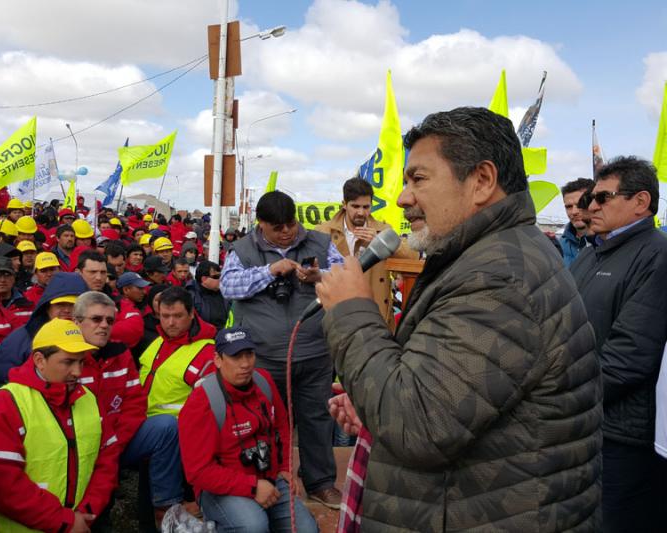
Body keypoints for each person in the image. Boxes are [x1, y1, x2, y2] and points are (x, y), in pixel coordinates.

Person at [317, 107, 602, 531]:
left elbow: (416, 425)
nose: (402, 198)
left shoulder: (500, 276)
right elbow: (445, 398)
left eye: (419, 178)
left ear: (482, 181)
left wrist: (352, 312)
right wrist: (374, 405)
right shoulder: (484, 257)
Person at [220, 190, 344, 508]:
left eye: (290, 224)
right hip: (265, 355)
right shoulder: (243, 249)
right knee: (267, 421)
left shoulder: (320, 242)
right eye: (277, 227)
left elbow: (345, 276)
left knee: (317, 418)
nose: (286, 232)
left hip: (314, 351)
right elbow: (228, 286)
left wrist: (320, 275)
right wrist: (269, 271)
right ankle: (274, 480)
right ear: (262, 224)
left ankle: (320, 482)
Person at [569, 156, 667, 532]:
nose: (589, 206)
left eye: (602, 197)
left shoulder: (657, 255)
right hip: (584, 424)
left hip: (622, 438)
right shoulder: (590, 254)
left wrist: (565, 400)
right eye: (589, 198)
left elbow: (630, 356)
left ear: (641, 202)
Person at [0, 319, 119, 532]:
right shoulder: (4, 405)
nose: (77, 372)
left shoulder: (89, 399)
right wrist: (66, 521)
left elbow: (107, 459)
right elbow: (4, 485)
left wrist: (87, 512)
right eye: (68, 362)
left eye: (81, 362)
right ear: (39, 360)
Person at [179, 327, 318, 533]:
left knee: (307, 529)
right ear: (218, 359)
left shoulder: (263, 381)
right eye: (236, 357)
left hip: (269, 479)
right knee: (253, 526)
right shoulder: (201, 403)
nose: (245, 364)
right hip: (221, 489)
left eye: (249, 354)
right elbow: (198, 472)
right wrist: (252, 487)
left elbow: (282, 426)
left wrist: (284, 468)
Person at [74, 292, 185, 523]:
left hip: (116, 441)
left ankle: (165, 511)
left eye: (110, 321)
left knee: (165, 427)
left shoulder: (121, 353)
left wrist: (114, 443)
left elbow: (134, 405)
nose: (104, 326)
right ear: (77, 322)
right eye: (96, 319)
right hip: (76, 447)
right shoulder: (63, 356)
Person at [316, 177, 418, 327]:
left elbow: (413, 255)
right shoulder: (323, 231)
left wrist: (378, 241)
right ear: (344, 204)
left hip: (374, 311)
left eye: (366, 207)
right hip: (337, 311)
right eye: (355, 206)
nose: (361, 212)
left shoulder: (382, 230)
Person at [0, 272, 87, 391]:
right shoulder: (20, 340)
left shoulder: (96, 338)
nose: (67, 310)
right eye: (60, 304)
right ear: (47, 307)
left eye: (74, 305)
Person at [138, 287, 216, 418]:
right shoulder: (158, 341)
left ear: (191, 314)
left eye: (178, 316)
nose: (171, 323)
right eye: (165, 316)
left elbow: (209, 407)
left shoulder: (208, 352)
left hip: (177, 426)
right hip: (142, 417)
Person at [559, 177, 595, 267]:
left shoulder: (606, 243)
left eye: (580, 204)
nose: (574, 212)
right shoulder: (560, 245)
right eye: (569, 207)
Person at [186, 260, 228, 329]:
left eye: (221, 276)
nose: (221, 279)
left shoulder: (226, 292)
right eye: (216, 277)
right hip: (205, 336)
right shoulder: (191, 296)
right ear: (204, 279)